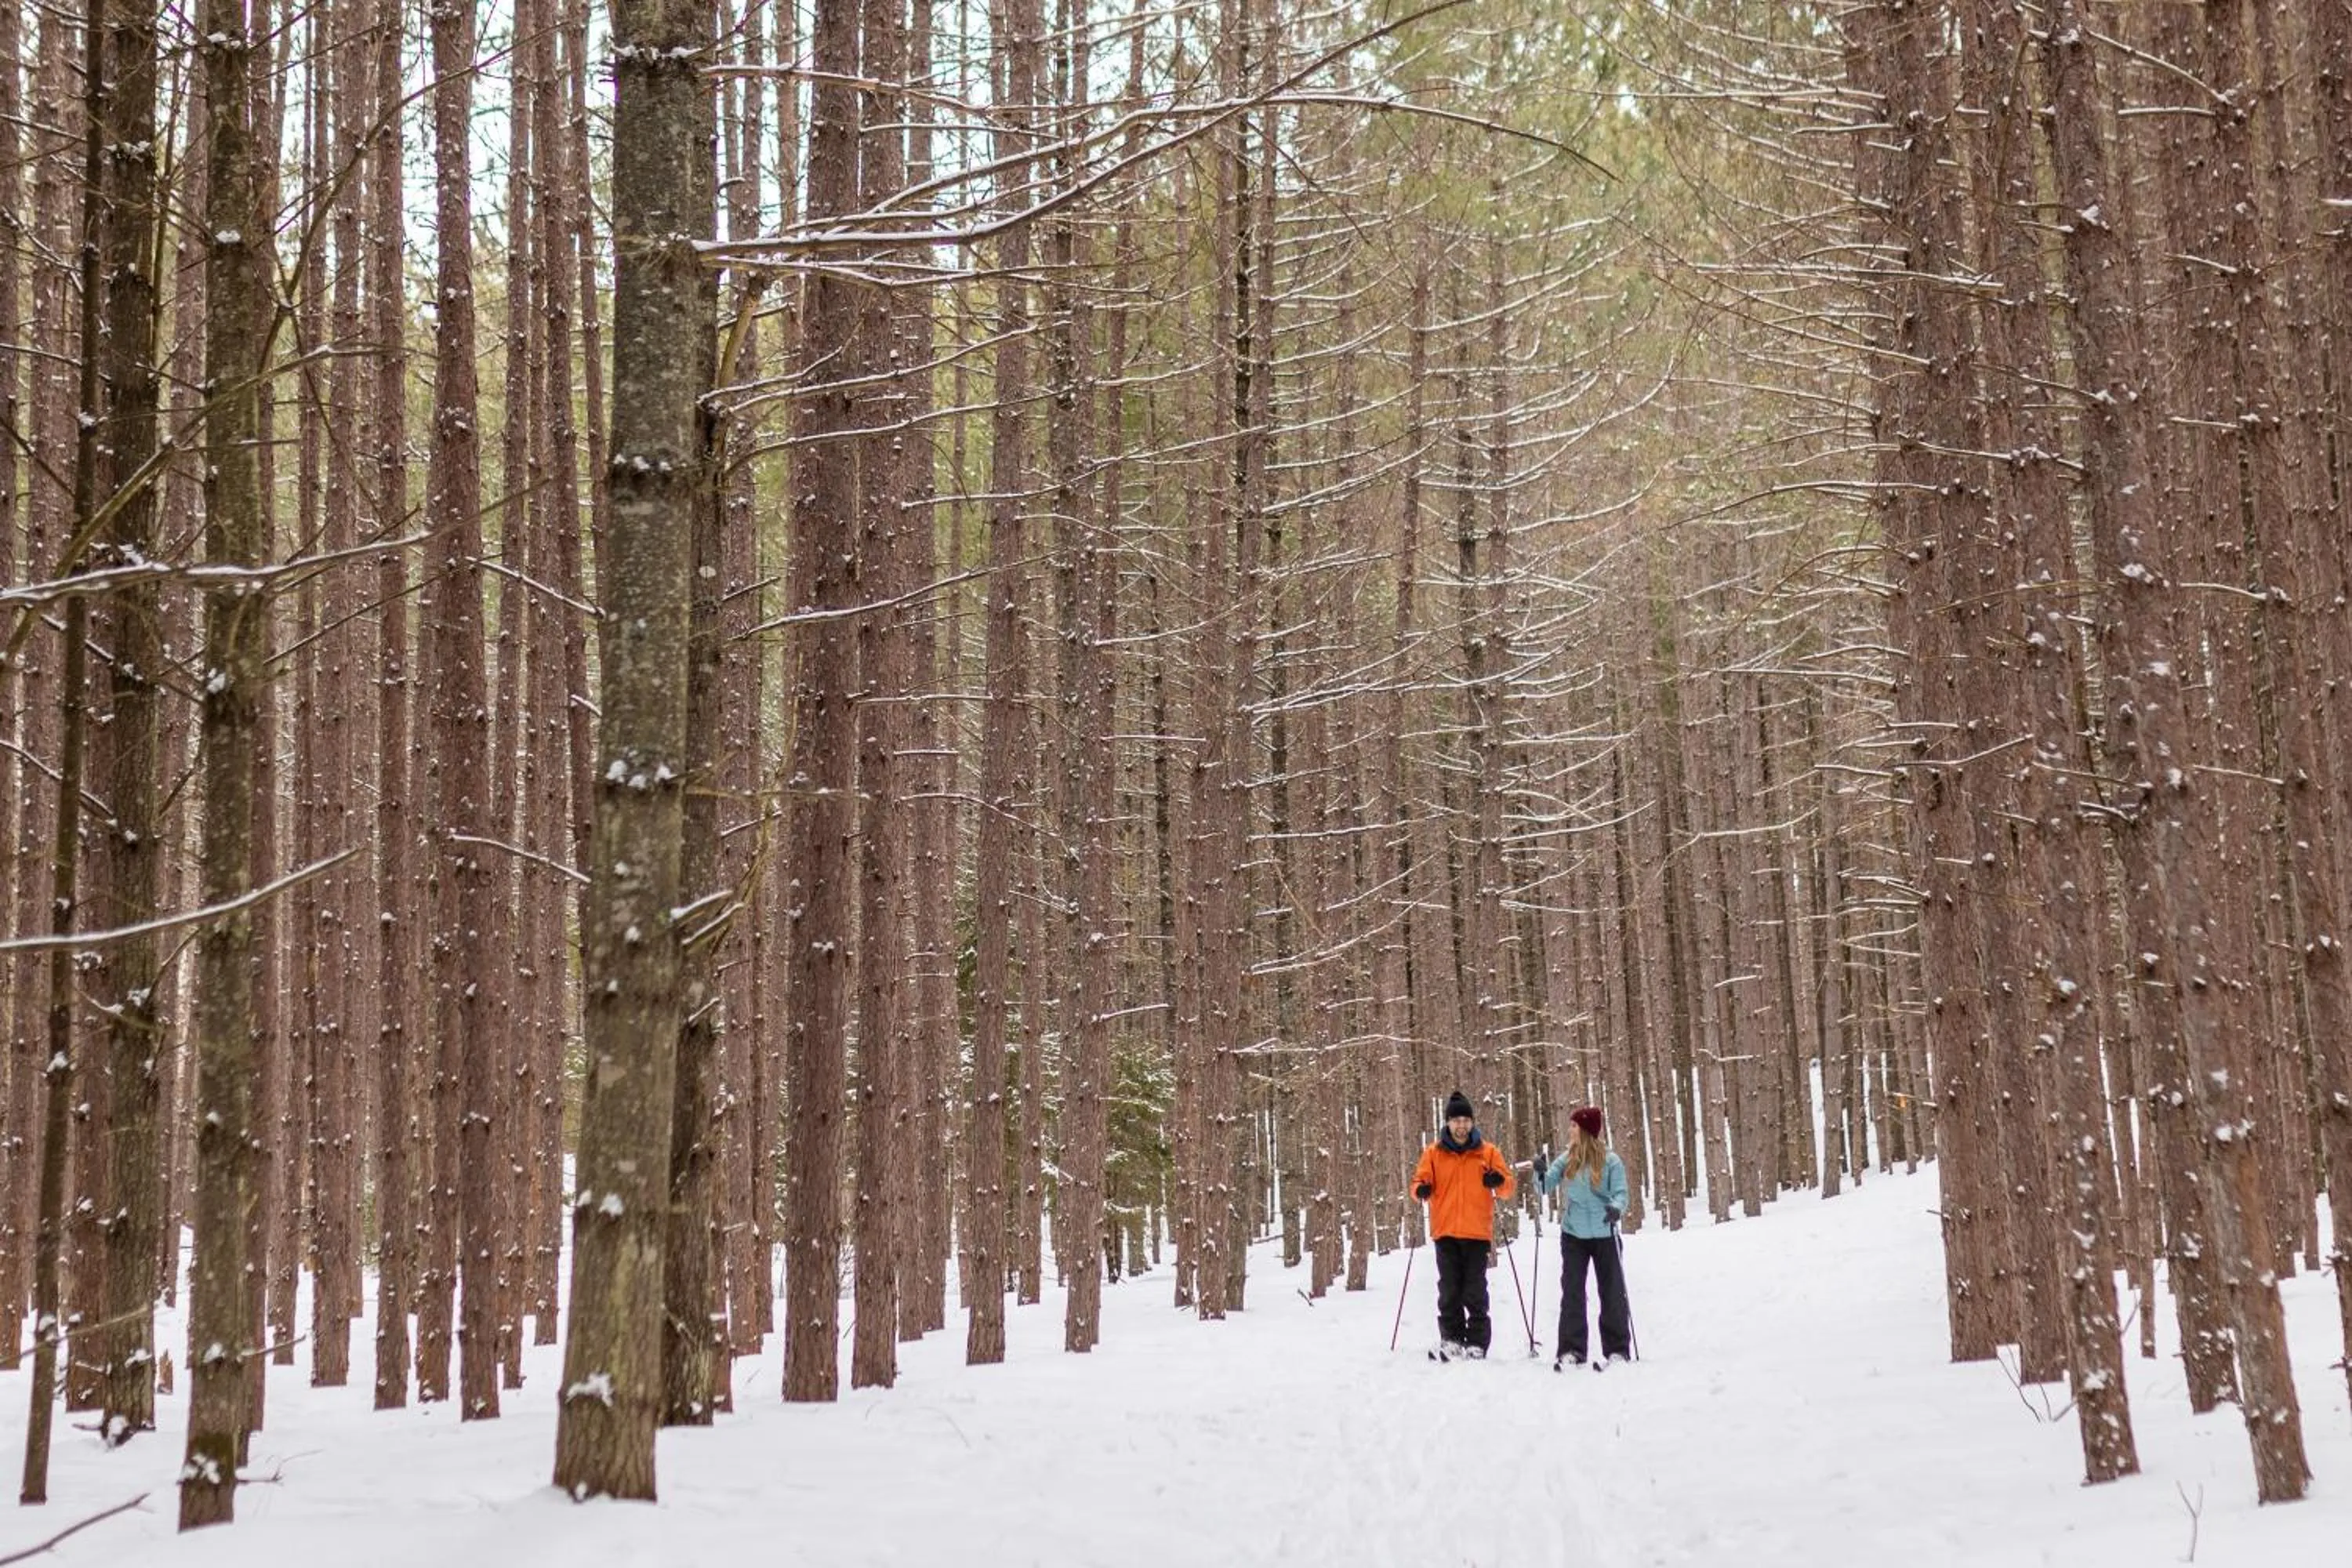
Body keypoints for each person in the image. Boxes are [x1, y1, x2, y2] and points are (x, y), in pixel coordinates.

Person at [1410, 1089, 1515, 1359]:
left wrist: (1498, 1182)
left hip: (1477, 1231)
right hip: (1445, 1230)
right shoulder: (1433, 1153)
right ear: (1448, 1123)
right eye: (1456, 1120)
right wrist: (1421, 1190)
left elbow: (1507, 1187)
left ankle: (1477, 1342)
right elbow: (1418, 1182)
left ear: (1472, 1123)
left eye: (1466, 1120)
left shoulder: (1488, 1152)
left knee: (1475, 1289)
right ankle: (1452, 1338)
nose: (1461, 1126)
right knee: (1449, 1288)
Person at [1537, 1105, 1632, 1371]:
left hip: (1605, 1233)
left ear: (1587, 1131)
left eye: (1575, 1126)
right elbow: (1545, 1185)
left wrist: (1616, 1208)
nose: (1570, 1131)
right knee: (1572, 1293)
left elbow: (1621, 1193)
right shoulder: (1568, 1158)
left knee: (1612, 1293)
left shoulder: (1611, 1161)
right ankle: (1571, 1350)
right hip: (1574, 1235)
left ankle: (1617, 1351)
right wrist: (1540, 1172)